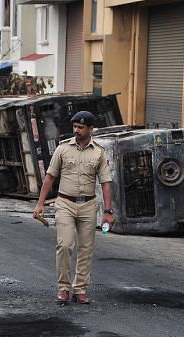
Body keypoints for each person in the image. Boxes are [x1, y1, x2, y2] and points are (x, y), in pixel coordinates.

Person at [32, 111, 115, 305]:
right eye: (75, 127)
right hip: (65, 203)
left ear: (90, 129)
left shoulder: (99, 153)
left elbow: (106, 183)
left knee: (86, 248)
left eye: (81, 127)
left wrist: (108, 212)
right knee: (65, 244)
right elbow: (50, 177)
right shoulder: (62, 149)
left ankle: (80, 289)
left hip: (88, 205)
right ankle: (63, 288)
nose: (76, 130)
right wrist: (40, 203)